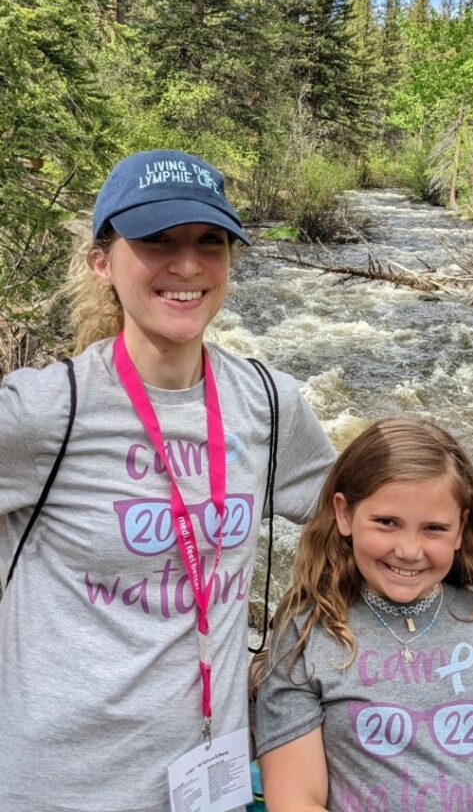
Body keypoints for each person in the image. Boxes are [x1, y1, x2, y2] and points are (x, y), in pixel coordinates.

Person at [0, 149, 336, 812]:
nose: (186, 266)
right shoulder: (45, 410)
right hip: (59, 785)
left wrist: (306, 648)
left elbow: (360, 521)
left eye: (209, 242)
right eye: (157, 241)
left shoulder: (271, 404)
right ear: (103, 262)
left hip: (207, 778)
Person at [255, 418, 473, 812]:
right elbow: (296, 798)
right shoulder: (306, 635)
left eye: (434, 528)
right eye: (387, 523)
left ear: (461, 530)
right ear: (344, 513)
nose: (408, 549)